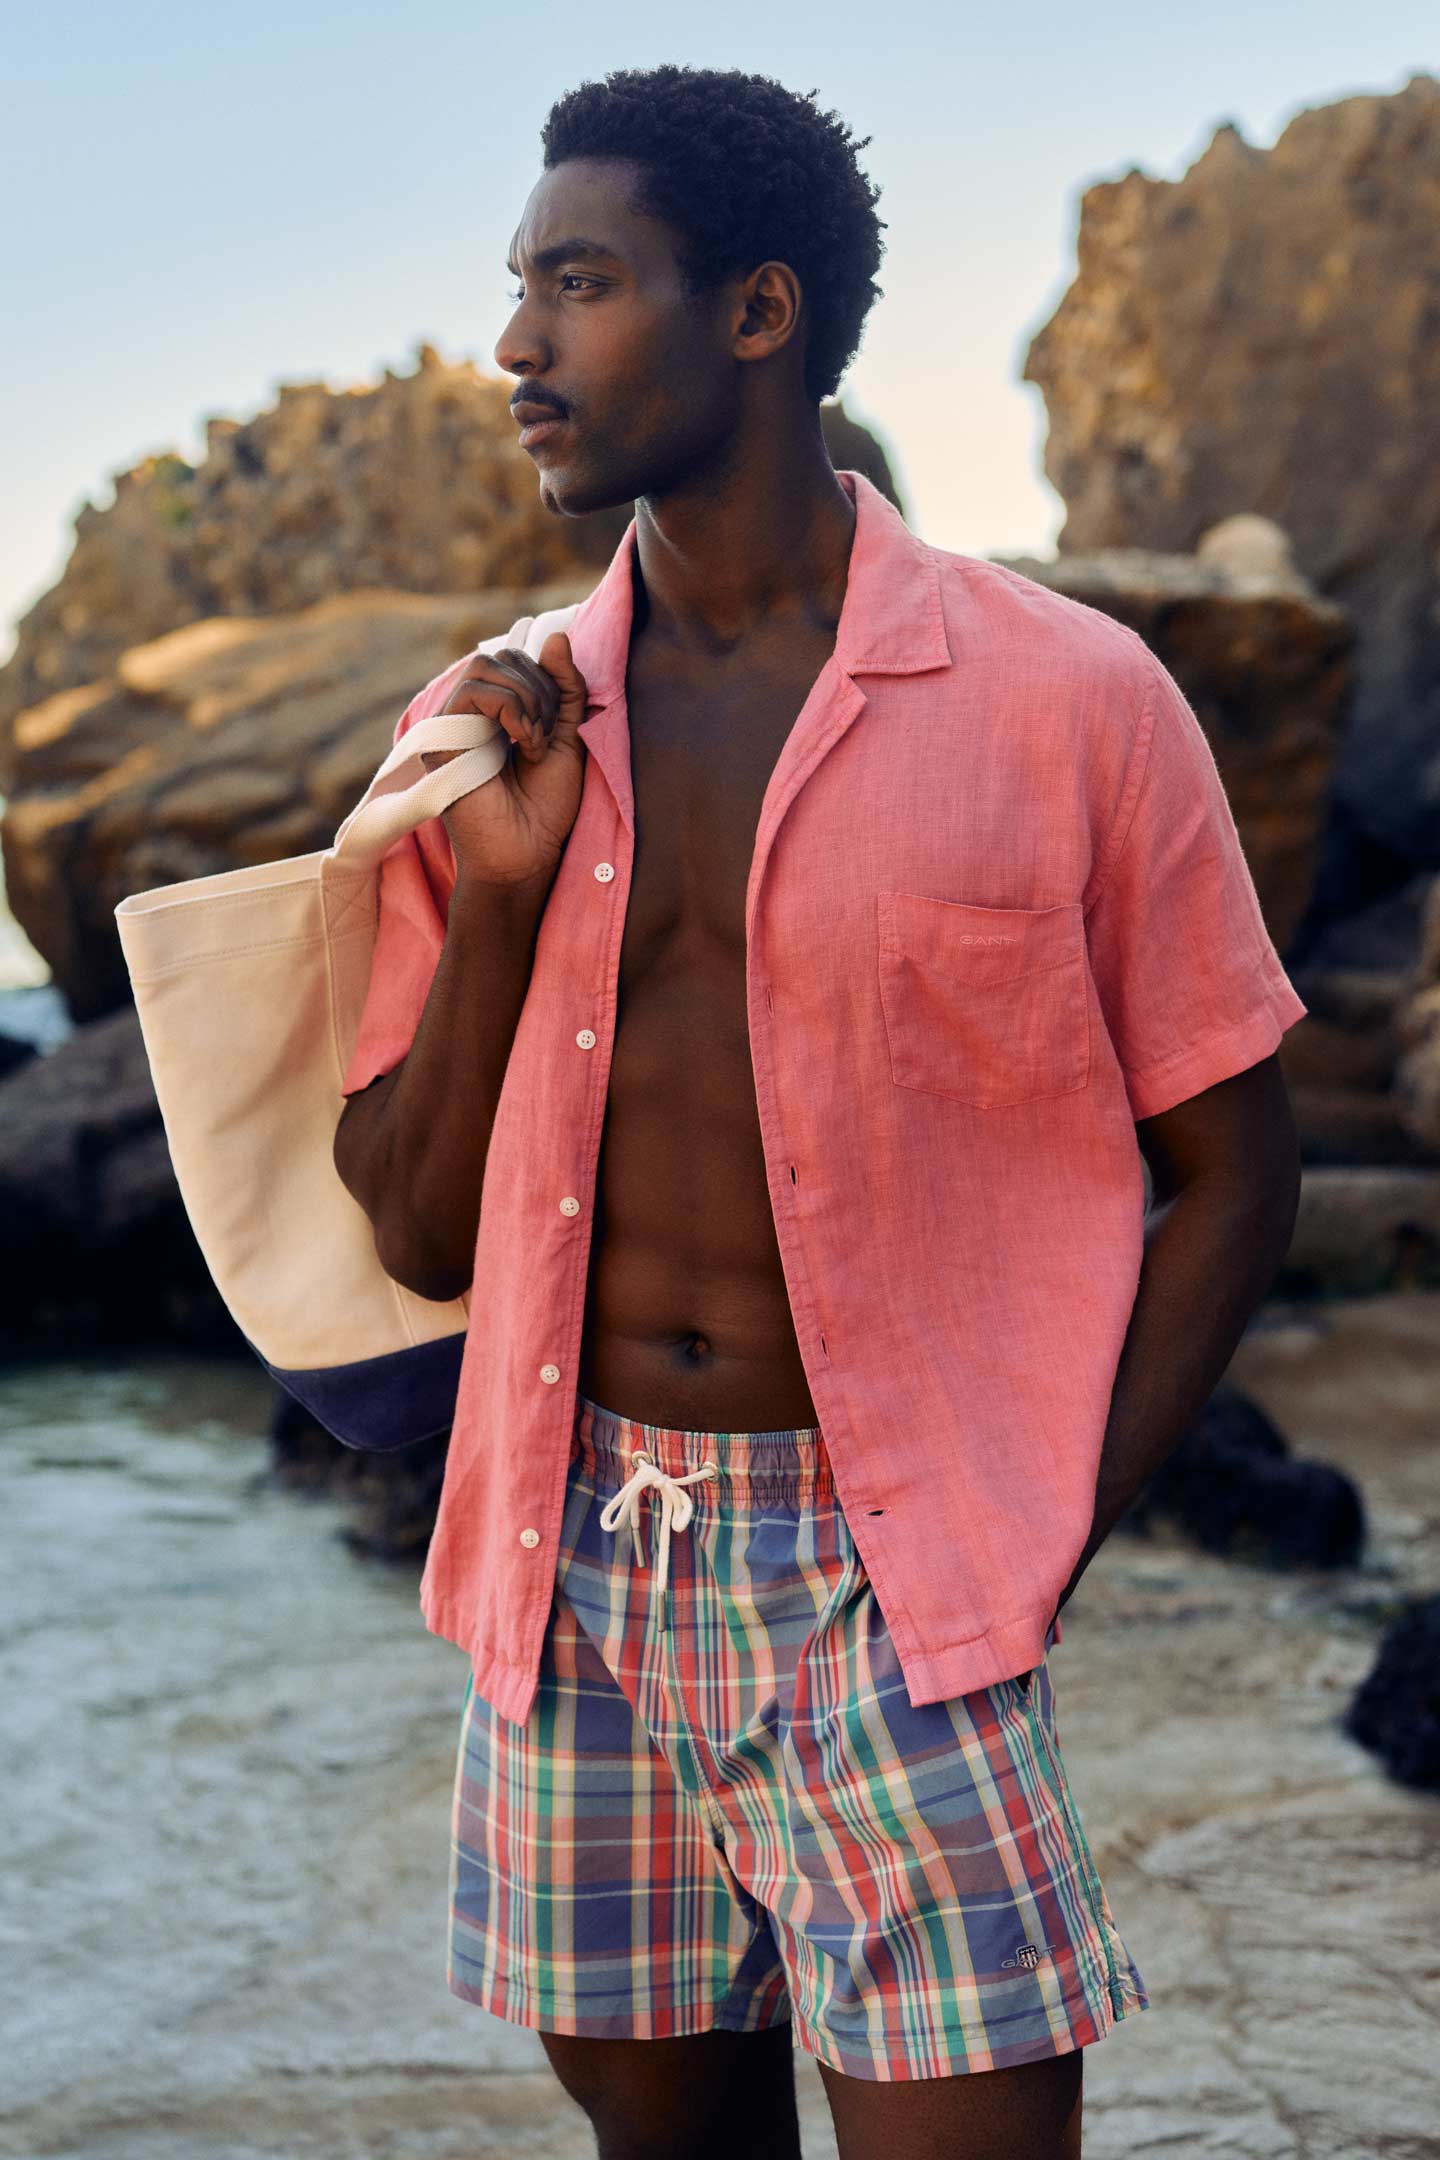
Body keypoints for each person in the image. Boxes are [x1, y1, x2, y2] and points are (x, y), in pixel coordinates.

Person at [333, 62, 1306, 2160]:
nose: (517, 345)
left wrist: (1039, 1545)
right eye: (521, 284)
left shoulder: (1072, 703)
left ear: (756, 313)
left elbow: (1238, 1172)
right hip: (568, 1568)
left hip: (900, 1582)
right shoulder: (488, 726)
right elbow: (414, 1238)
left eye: (581, 285)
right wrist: (494, 907)